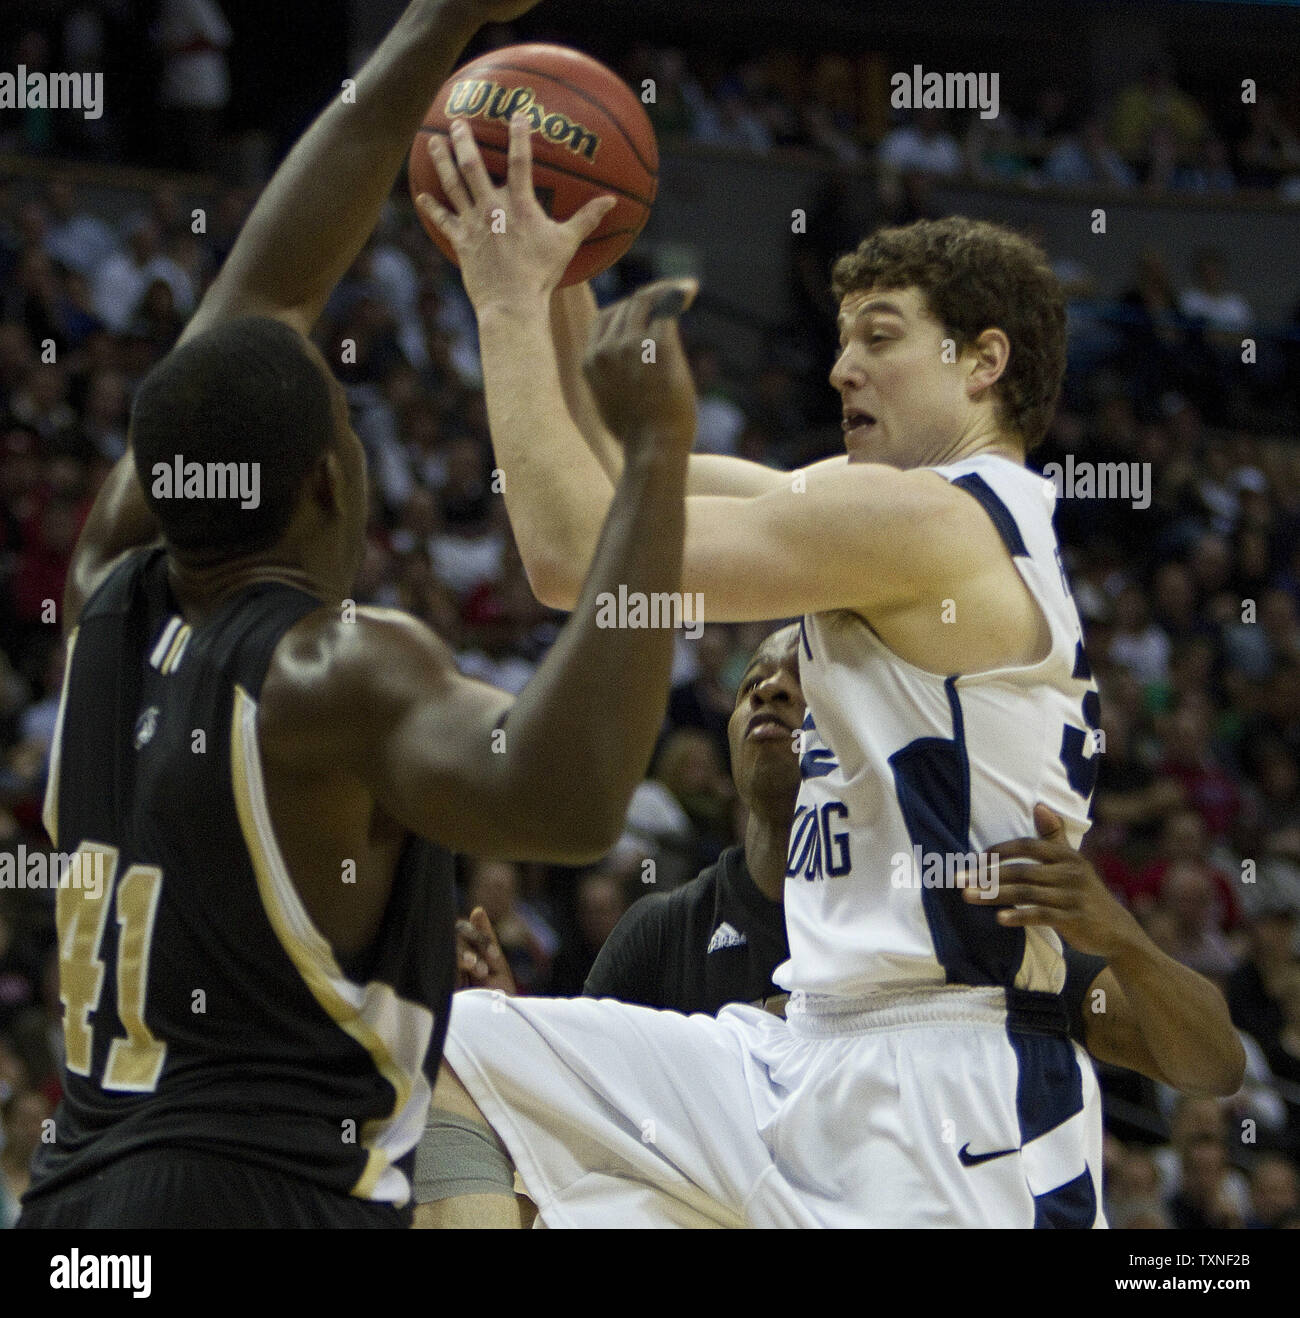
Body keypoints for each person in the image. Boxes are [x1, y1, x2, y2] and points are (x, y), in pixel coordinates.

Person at [415, 118, 1244, 1227]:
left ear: (982, 361)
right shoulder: (894, 519)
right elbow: (607, 474)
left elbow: (574, 555)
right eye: (843, 335)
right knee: (451, 1042)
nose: (841, 364)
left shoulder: (936, 524)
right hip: (801, 1046)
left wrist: (505, 298)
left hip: (950, 1096)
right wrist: (569, 269)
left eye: (881, 337)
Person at [17, 0, 701, 1230]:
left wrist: (437, 21)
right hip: (260, 1200)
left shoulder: (108, 590)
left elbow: (264, 289)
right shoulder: (333, 670)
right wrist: (651, 462)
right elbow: (571, 794)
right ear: (333, 480)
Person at [421, 625, 1245, 1224]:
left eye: (800, 679)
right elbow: (568, 1129)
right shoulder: (667, 928)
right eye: (752, 683)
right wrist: (512, 1021)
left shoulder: (945, 922)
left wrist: (1124, 940)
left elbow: (1212, 1062)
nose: (771, 690)